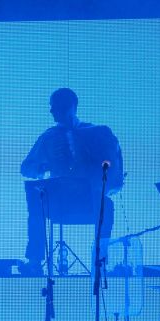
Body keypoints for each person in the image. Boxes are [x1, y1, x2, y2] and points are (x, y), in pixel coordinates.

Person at [19, 88, 123, 275]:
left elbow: (112, 167)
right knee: (36, 198)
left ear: (71, 106)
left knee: (106, 205)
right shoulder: (49, 137)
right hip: (59, 202)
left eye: (55, 106)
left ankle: (101, 261)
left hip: (87, 201)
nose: (51, 111)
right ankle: (34, 261)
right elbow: (26, 167)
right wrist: (44, 166)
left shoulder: (98, 133)